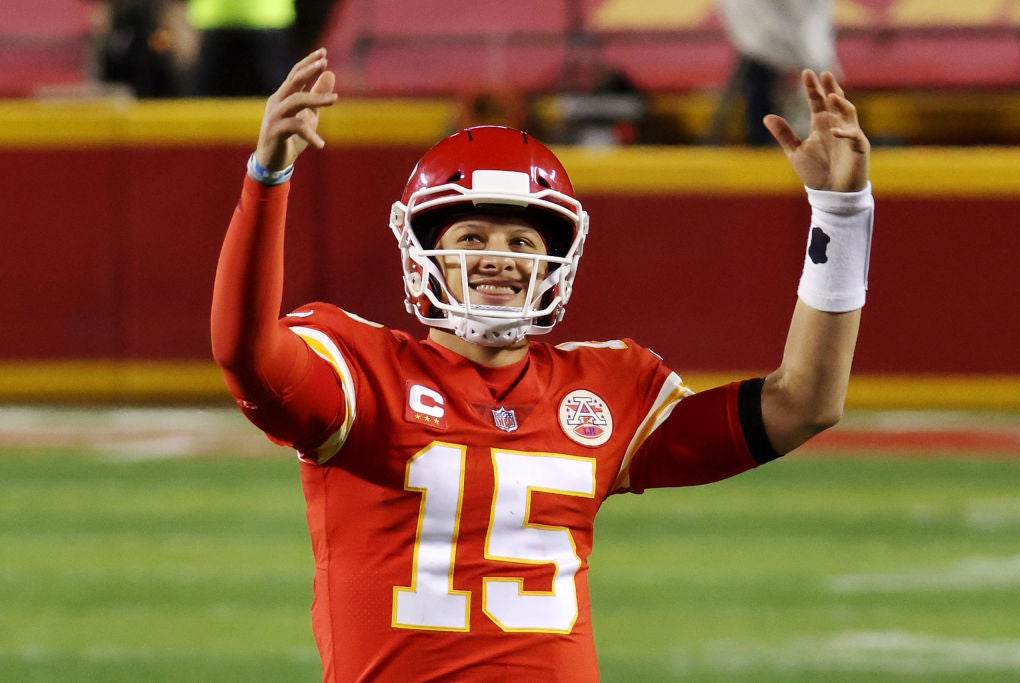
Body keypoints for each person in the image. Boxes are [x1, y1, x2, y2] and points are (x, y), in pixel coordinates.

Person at [211, 48, 873, 682]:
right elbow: (246, 354)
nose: (498, 257)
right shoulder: (362, 371)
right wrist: (267, 177)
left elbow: (804, 402)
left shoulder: (605, 388)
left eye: (521, 240)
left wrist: (842, 215)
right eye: (471, 237)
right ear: (422, 254)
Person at [710, 0, 840, 145]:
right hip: (760, 40)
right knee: (760, 86)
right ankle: (761, 140)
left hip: (779, 35)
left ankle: (769, 137)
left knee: (766, 85)